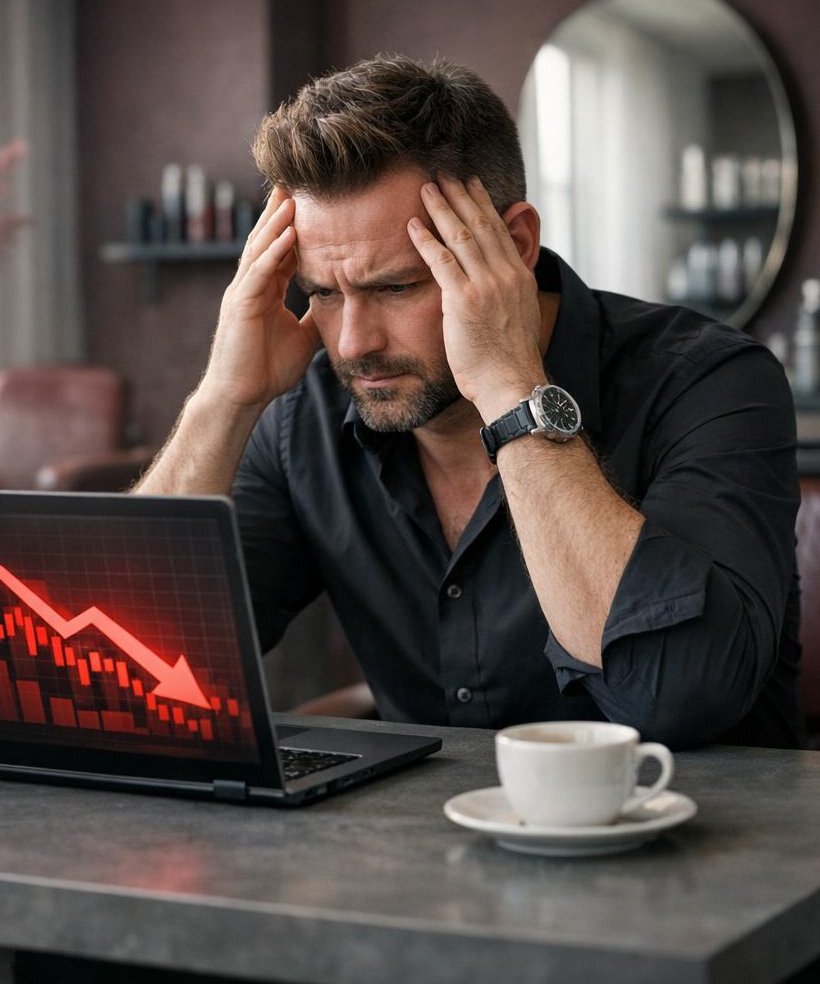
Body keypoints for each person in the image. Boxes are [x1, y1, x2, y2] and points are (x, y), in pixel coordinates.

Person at [135, 54, 802, 749]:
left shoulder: (708, 380)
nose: (355, 343)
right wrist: (225, 398)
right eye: (324, 293)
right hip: (417, 851)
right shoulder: (306, 418)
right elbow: (128, 653)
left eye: (396, 288)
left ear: (512, 249)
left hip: (701, 845)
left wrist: (512, 390)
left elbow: (675, 694)